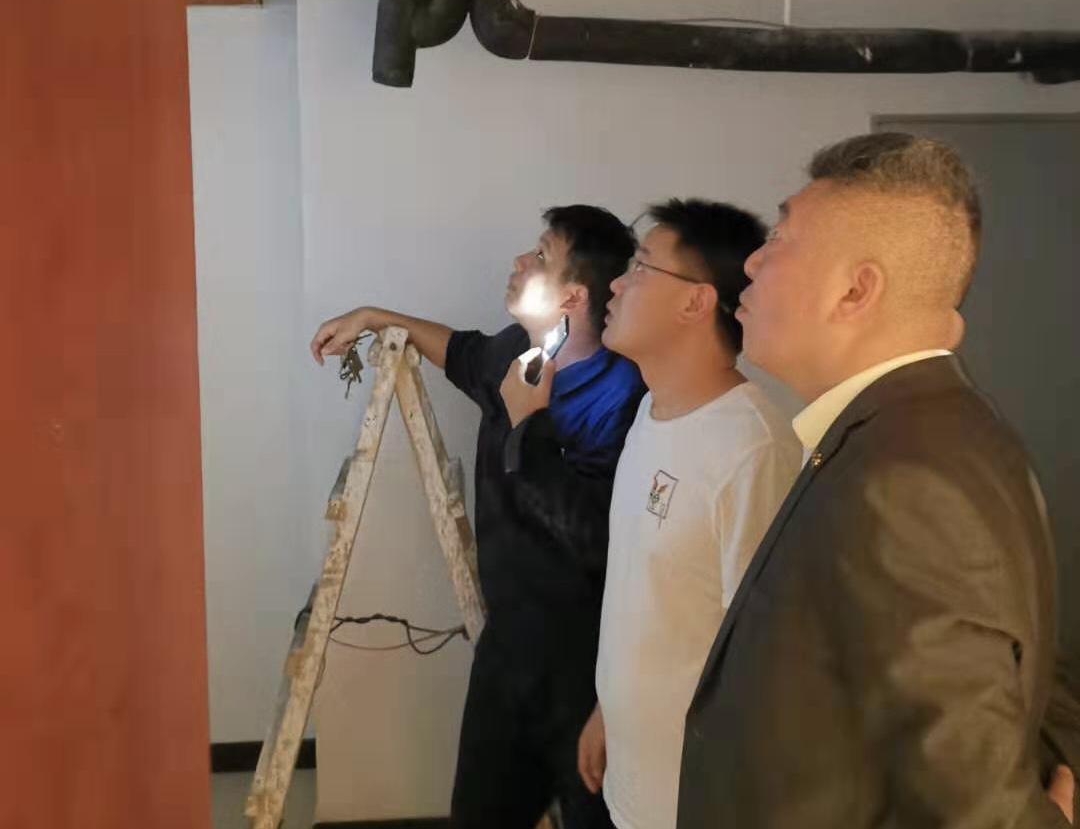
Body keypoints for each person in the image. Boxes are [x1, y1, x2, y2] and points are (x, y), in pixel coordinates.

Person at [678, 132, 1074, 828]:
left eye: (780, 238)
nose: (754, 261)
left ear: (855, 289)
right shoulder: (911, 432)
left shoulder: (907, 475)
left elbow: (974, 802)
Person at [310, 205, 643, 829]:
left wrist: (528, 422)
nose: (519, 262)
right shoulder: (517, 353)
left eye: (540, 255)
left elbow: (597, 539)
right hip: (506, 649)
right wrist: (376, 316)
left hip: (588, 669)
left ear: (573, 296)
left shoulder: (623, 394)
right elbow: (462, 353)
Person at [573, 199, 802, 829]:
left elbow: (763, 660)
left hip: (700, 800)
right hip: (636, 780)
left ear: (696, 302)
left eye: (641, 267)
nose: (616, 285)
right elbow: (655, 597)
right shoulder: (652, 412)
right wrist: (609, 706)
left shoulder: (752, 450)